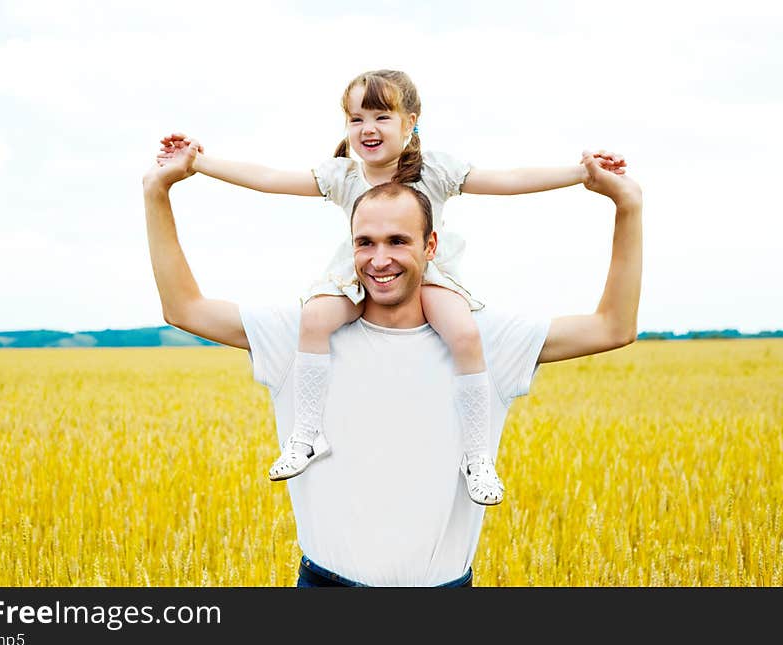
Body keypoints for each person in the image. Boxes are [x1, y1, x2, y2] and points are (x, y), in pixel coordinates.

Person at [142, 141, 643, 587]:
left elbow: (612, 327)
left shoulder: (484, 337)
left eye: (398, 241)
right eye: (365, 242)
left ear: (431, 246)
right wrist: (156, 191)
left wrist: (627, 206)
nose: (379, 258)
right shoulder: (304, 334)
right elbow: (184, 309)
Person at [156, 69, 626, 507]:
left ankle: (477, 457)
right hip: (358, 276)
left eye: (381, 115)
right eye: (356, 118)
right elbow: (270, 179)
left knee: (464, 334)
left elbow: (508, 181)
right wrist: (200, 162)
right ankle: (306, 435)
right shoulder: (343, 176)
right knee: (315, 320)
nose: (367, 127)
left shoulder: (436, 171)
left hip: (429, 274)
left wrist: (580, 173)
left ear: (411, 122)